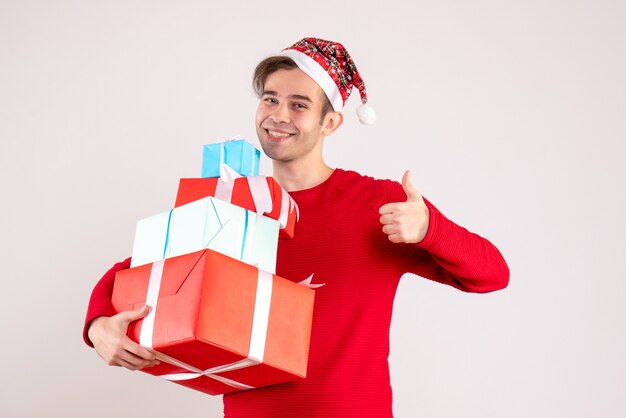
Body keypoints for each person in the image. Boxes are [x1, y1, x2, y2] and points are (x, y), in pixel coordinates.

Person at [84, 37, 509, 417]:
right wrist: (98, 324)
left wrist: (430, 227)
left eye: (299, 105)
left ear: (330, 123)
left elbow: (492, 275)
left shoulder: (376, 204)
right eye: (270, 99)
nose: (278, 115)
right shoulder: (230, 204)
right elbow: (138, 270)